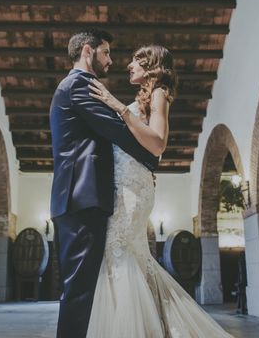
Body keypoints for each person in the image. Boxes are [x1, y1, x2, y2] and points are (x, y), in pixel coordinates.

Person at [86, 44, 233, 338]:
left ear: (152, 66)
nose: (129, 65)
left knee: (119, 253)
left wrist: (118, 108)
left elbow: (158, 143)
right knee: (126, 255)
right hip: (124, 184)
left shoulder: (159, 93)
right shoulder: (144, 96)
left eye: (137, 61)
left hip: (133, 190)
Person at [49, 29, 159, 338]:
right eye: (106, 52)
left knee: (84, 289)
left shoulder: (79, 86)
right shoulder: (79, 85)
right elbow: (117, 131)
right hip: (80, 198)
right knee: (78, 292)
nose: (111, 60)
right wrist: (152, 157)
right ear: (88, 51)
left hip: (81, 199)